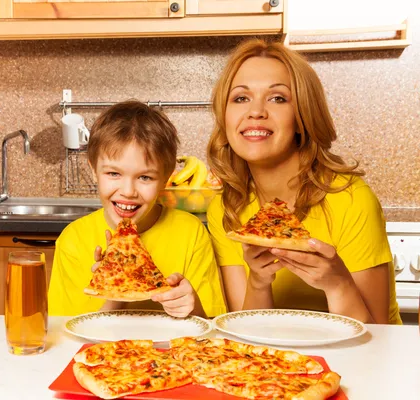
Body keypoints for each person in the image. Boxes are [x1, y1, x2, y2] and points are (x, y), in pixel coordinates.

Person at [206, 39, 401, 324]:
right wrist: (259, 282)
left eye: (278, 98)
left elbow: (377, 336)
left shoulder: (350, 200)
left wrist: (338, 283)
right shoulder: (227, 208)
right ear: (225, 116)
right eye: (240, 98)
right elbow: (249, 332)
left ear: (302, 118)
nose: (256, 111)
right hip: (277, 362)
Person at [48, 101, 226, 318]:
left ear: (166, 177)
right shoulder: (73, 240)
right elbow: (67, 335)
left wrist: (190, 306)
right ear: (94, 170)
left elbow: (208, 327)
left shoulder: (192, 233)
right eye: (114, 174)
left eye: (145, 177)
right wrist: (115, 286)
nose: (128, 191)